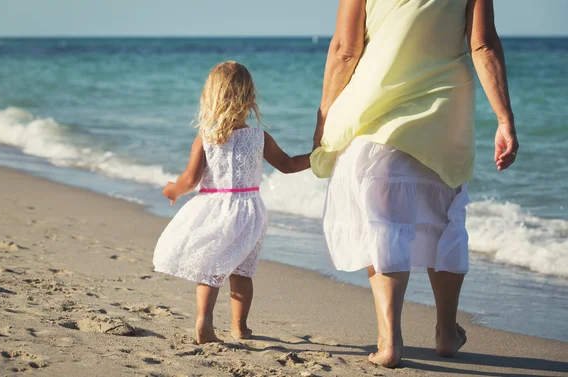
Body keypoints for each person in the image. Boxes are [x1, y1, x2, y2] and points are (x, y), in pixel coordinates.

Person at [310, 0, 518, 367]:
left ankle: (390, 342)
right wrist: (504, 119)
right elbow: (483, 45)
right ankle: (446, 332)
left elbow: (346, 49)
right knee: (445, 223)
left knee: (383, 226)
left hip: (373, 117)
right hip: (443, 118)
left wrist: (324, 115)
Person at [153, 61, 310, 344]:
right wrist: (319, 155)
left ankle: (204, 320)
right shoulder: (259, 137)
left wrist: (173, 190)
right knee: (243, 271)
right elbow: (287, 165)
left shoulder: (206, 139)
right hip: (250, 211)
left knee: (211, 268)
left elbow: (190, 179)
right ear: (250, 99)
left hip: (214, 209)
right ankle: (240, 328)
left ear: (210, 98)